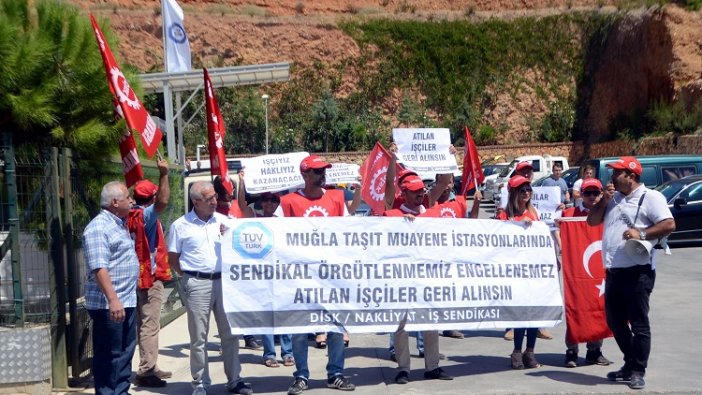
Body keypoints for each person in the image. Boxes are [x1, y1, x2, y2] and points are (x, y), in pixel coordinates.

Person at [587, 156, 675, 390]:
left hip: (638, 272)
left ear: (632, 176)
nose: (612, 176)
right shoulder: (613, 198)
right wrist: (604, 199)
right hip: (614, 271)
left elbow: (669, 224)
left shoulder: (651, 197)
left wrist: (642, 234)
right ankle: (629, 362)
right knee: (615, 322)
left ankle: (638, 370)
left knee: (638, 323)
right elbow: (591, 220)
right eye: (613, 172)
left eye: (617, 172)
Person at [273, 155, 355, 394]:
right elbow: (272, 230)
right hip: (300, 277)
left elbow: (350, 232)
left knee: (336, 327)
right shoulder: (288, 202)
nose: (322, 175)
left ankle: (336, 373)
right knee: (299, 330)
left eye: (323, 171)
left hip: (332, 276)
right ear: (305, 175)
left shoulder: (337, 198)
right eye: (318, 171)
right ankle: (301, 376)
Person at [168, 181, 253, 395]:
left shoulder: (225, 222)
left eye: (215, 196)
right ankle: (200, 383)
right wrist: (190, 276)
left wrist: (231, 235)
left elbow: (245, 239)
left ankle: (235, 380)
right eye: (209, 199)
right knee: (199, 337)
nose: (215, 201)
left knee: (230, 334)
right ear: (195, 202)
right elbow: (173, 258)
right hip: (197, 284)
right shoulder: (180, 225)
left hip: (225, 283)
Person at [383, 174, 453, 384]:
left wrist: (447, 157)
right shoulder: (392, 215)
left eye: (421, 189)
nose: (420, 193)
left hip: (428, 278)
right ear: (403, 194)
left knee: (431, 323)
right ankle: (403, 368)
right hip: (402, 280)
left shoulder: (431, 212)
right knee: (401, 325)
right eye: (414, 191)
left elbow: (442, 183)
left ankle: (432, 366)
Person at [83, 181, 139, 395]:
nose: (132, 200)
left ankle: (121, 391)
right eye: (128, 197)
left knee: (125, 353)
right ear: (115, 202)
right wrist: (113, 300)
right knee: (110, 355)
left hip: (126, 300)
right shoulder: (99, 227)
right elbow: (99, 267)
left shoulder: (118, 224)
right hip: (110, 305)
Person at [236, 172, 294, 368]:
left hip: (282, 272)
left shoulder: (285, 221)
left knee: (284, 313)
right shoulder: (254, 218)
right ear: (261, 202)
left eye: (273, 200)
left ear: (278, 202)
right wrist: (242, 182)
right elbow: (242, 205)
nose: (269, 203)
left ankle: (287, 352)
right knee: (266, 314)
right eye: (265, 199)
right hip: (262, 275)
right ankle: (269, 353)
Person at [556, 178, 611, 368]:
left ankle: (594, 351)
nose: (592, 197)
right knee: (576, 308)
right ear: (581, 194)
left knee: (600, 308)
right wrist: (558, 225)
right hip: (577, 272)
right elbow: (554, 230)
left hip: (600, 270)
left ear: (602, 193)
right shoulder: (569, 214)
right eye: (588, 193)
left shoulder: (608, 213)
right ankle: (571, 351)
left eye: (596, 193)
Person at [128, 160, 173, 387]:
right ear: (152, 199)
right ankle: (146, 371)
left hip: (133, 276)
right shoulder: (145, 216)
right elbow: (164, 201)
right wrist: (163, 174)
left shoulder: (128, 214)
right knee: (149, 324)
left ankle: (149, 364)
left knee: (141, 323)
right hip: (148, 277)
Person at [497, 175, 543, 370]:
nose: (526, 193)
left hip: (533, 270)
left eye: (528, 189)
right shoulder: (504, 215)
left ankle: (530, 351)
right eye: (522, 190)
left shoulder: (535, 213)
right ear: (514, 193)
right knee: (520, 314)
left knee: (533, 313)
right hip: (515, 271)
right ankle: (516, 351)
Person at [213, 175, 261, 351]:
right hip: (223, 262)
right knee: (225, 305)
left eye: (231, 189)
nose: (229, 193)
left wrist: (242, 182)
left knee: (245, 301)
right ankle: (226, 338)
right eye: (226, 190)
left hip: (241, 260)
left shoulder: (238, 207)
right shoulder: (214, 210)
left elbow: (243, 206)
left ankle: (249, 336)